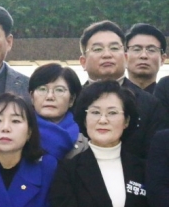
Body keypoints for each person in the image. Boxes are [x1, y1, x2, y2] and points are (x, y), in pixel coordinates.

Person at [79, 20, 168, 158]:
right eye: (97, 49)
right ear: (83, 62)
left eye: (114, 48)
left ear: (126, 57)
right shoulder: (70, 100)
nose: (107, 54)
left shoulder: (150, 104)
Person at [29, 63, 87, 159]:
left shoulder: (85, 142)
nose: (50, 97)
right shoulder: (19, 135)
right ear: (31, 97)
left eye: (59, 90)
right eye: (42, 89)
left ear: (71, 99)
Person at [124, 23, 166, 93]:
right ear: (125, 58)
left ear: (162, 59)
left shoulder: (165, 97)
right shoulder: (110, 96)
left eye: (151, 50)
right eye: (137, 49)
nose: (144, 56)